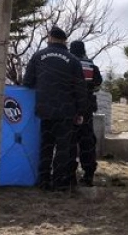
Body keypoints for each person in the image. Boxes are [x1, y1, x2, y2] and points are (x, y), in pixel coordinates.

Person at [23, 26, 88, 192]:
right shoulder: (73, 60)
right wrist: (81, 111)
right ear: (65, 40)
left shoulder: (38, 56)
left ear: (50, 38)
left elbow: (27, 82)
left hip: (44, 109)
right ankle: (60, 182)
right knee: (63, 148)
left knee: (46, 146)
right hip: (66, 111)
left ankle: (43, 181)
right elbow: (80, 88)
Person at [68, 40, 103, 186]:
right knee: (87, 140)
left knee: (69, 141)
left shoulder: (68, 62)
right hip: (87, 108)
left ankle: (70, 175)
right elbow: (98, 84)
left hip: (69, 107)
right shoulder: (91, 65)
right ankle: (88, 175)